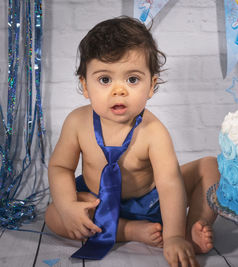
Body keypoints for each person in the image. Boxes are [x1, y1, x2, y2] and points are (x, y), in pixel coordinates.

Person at [45, 16, 220, 267]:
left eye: (132, 79)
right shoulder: (76, 122)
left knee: (210, 166)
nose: (119, 90)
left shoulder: (153, 131)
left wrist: (172, 236)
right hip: (98, 201)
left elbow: (169, 184)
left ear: (151, 85)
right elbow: (61, 167)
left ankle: (191, 228)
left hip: (152, 200)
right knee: (53, 215)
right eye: (105, 79)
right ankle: (127, 230)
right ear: (85, 85)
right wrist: (67, 205)